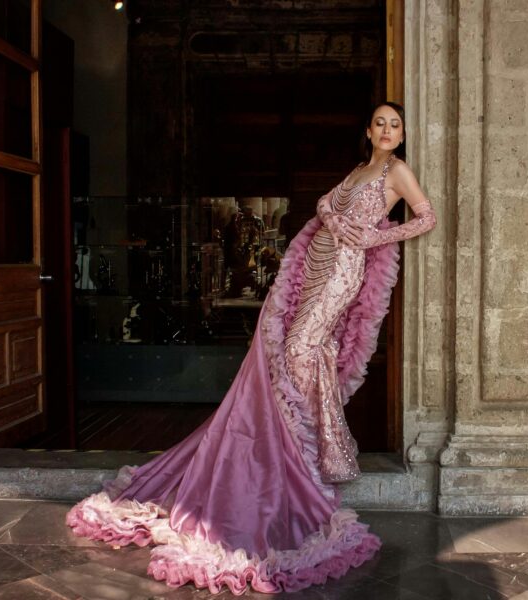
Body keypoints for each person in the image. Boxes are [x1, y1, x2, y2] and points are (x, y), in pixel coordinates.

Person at [66, 102, 437, 595]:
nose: (388, 130)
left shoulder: (397, 171)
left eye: (395, 125)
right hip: (317, 265)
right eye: (381, 123)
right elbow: (324, 204)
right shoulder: (359, 170)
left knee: (302, 347)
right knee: (297, 350)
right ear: (368, 131)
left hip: (343, 272)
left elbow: (426, 217)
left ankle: (298, 450)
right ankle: (297, 446)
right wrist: (331, 213)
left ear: (402, 134)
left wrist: (374, 236)